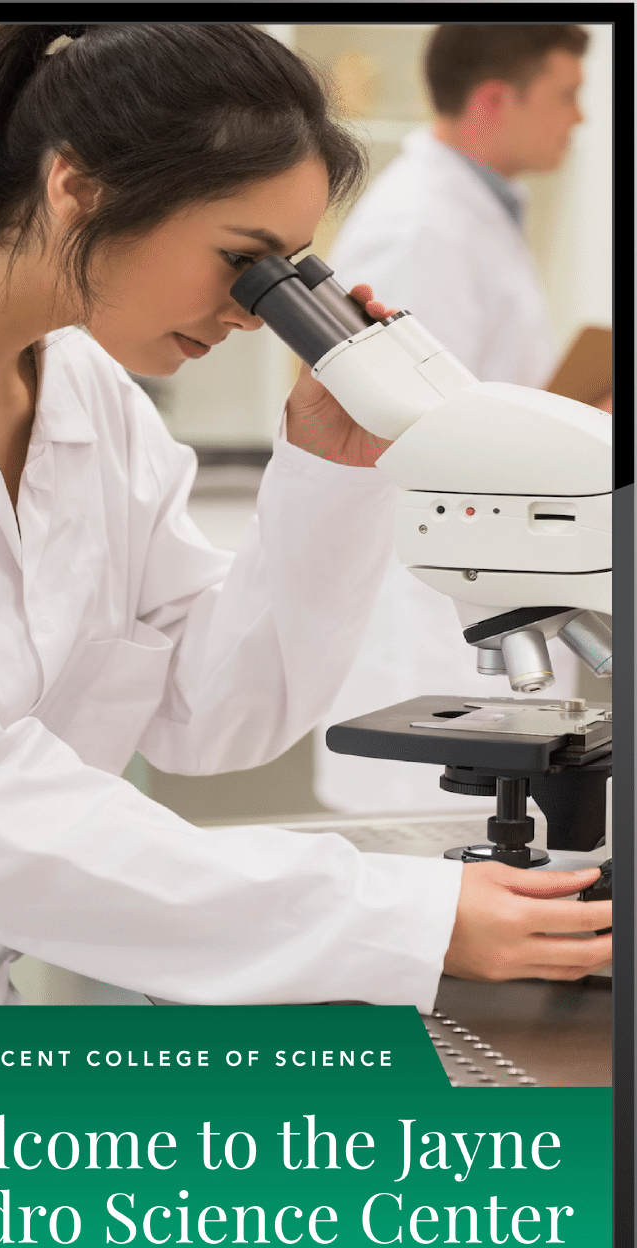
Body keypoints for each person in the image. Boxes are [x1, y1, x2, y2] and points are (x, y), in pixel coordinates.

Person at [0, 23, 611, 1010]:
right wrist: (405, 918)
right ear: (77, 187)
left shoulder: (90, 398)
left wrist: (327, 471)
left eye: (284, 270)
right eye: (240, 257)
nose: (254, 311)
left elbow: (209, 716)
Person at [315, 22, 603, 815]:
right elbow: (422, 434)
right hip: (436, 620)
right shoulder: (421, 226)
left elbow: (474, 404)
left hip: (488, 594)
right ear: (491, 100)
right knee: (438, 862)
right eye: (567, 95)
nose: (579, 119)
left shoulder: (478, 213)